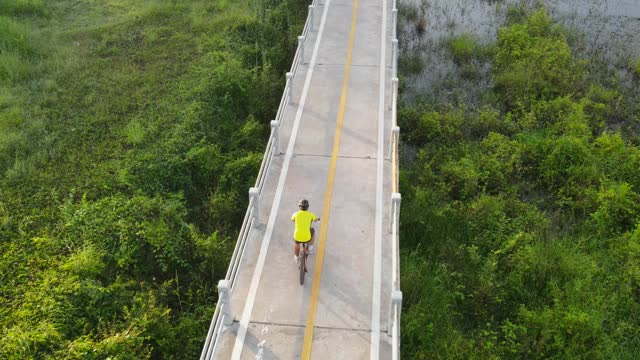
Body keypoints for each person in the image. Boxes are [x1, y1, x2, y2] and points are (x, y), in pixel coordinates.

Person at [291, 199, 320, 265]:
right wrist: (318, 219)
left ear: (299, 206)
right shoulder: (310, 215)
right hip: (307, 237)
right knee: (312, 230)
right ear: (307, 206)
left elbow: (292, 220)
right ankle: (310, 248)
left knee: (297, 243)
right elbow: (315, 219)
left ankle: (296, 257)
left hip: (298, 236)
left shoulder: (296, 214)